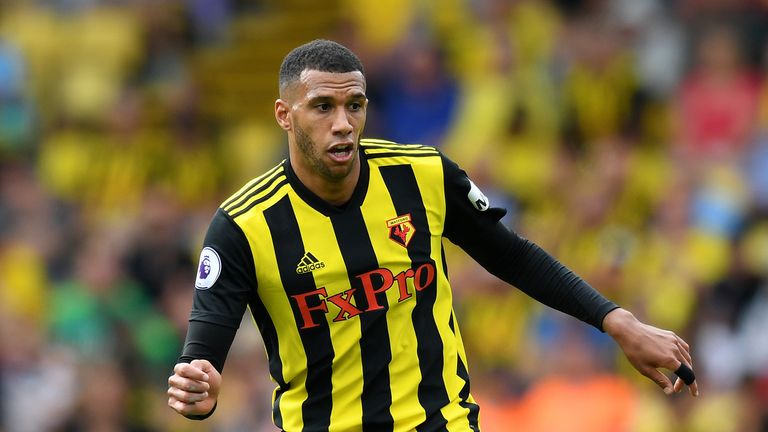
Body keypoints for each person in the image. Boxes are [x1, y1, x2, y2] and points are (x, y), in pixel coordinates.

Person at [167, 39, 698, 431]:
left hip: (441, 423)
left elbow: (511, 256)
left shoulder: (422, 175)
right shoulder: (243, 224)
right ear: (285, 115)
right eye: (323, 107)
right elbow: (204, 350)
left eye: (355, 105)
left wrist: (617, 321)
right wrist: (201, 391)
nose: (344, 123)